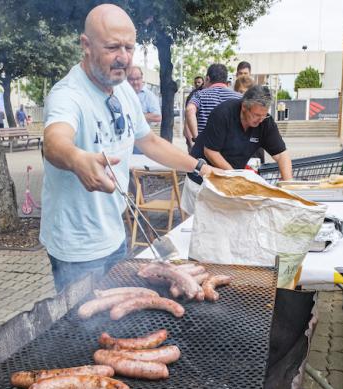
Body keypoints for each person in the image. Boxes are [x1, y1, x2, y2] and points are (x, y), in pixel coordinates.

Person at [41, 3, 219, 292]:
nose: (123, 58)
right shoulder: (68, 94)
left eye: (129, 47)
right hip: (77, 247)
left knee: (116, 321)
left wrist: (200, 167)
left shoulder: (123, 89)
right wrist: (75, 158)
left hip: (115, 235)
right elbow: (54, 141)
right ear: (86, 45)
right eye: (113, 47)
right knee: (82, 330)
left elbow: (147, 141)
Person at [190, 85, 293, 180]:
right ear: (244, 106)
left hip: (231, 175)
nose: (260, 120)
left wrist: (289, 184)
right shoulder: (223, 113)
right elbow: (211, 152)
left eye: (264, 115)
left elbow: (281, 154)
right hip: (202, 173)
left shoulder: (266, 121)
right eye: (256, 115)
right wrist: (235, 176)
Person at [185, 63, 241, 144]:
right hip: (231, 148)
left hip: (205, 147)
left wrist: (196, 138)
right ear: (225, 79)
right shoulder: (238, 97)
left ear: (207, 78)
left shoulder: (199, 95)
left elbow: (189, 110)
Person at [127, 66, 161, 154]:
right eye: (131, 79)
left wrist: (134, 116)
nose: (135, 82)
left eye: (138, 79)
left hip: (141, 144)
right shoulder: (123, 94)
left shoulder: (149, 95)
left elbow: (157, 117)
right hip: (125, 144)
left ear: (142, 78)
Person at [183, 76, 204, 151]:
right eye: (195, 83)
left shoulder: (203, 94)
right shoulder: (192, 95)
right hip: (192, 132)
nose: (197, 84)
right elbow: (188, 115)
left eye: (199, 82)